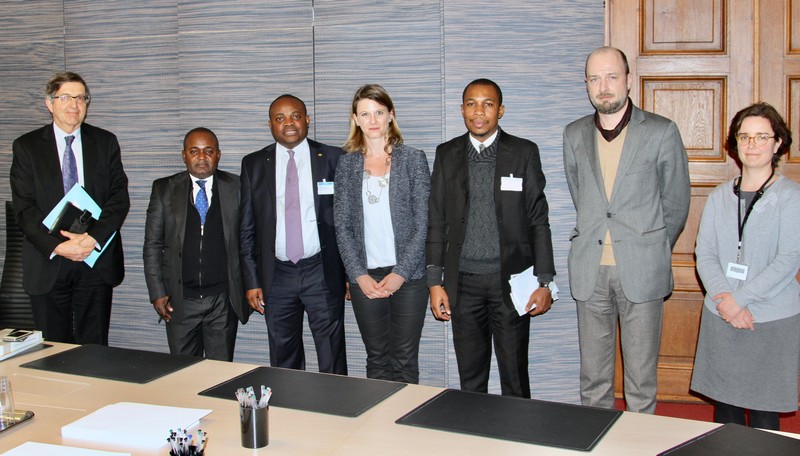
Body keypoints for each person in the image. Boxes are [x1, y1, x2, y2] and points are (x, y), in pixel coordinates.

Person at [563, 46, 691, 413]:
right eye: (594, 79)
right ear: (586, 84)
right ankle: (595, 439)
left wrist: (649, 247)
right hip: (590, 270)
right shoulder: (574, 134)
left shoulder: (661, 131)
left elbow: (676, 203)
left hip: (642, 269)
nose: (603, 86)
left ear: (629, 80)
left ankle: (641, 441)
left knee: (640, 382)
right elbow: (581, 195)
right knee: (593, 381)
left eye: (611, 76)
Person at [427, 78, 556, 398]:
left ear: (501, 110)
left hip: (510, 283)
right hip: (463, 284)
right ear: (462, 110)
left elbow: (538, 220)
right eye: (471, 104)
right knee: (471, 380)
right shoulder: (446, 154)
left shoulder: (523, 152)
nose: (479, 111)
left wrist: (545, 282)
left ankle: (518, 429)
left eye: (487, 104)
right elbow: (436, 221)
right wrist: (434, 282)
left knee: (515, 377)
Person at [691, 102, 800, 430]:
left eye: (762, 137)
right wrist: (726, 300)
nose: (752, 144)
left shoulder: (791, 196)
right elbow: (704, 253)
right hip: (721, 313)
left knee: (765, 414)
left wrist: (740, 300)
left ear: (777, 144)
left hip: (770, 319)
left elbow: (788, 259)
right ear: (735, 143)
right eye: (745, 136)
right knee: (726, 411)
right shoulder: (718, 196)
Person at [10, 71, 130, 345]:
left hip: (94, 258)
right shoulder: (27, 147)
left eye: (80, 98)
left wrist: (93, 238)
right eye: (65, 97)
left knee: (94, 348)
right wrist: (58, 246)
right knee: (51, 351)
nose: (74, 105)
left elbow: (119, 198)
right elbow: (24, 209)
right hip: (49, 260)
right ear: (49, 103)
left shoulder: (105, 142)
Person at [240, 94, 347, 374]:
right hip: (276, 275)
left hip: (321, 271)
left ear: (307, 120)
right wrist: (252, 280)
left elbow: (348, 222)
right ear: (270, 125)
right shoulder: (253, 164)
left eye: (295, 116)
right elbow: (247, 227)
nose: (288, 123)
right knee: (283, 354)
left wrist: (348, 274)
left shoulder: (334, 158)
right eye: (280, 118)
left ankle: (337, 401)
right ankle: (289, 400)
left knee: (332, 352)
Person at [334, 84, 430, 383]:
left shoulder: (413, 159)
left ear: (391, 115)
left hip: (408, 278)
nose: (372, 120)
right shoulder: (346, 164)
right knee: (376, 358)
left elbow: (423, 223)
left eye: (379, 112)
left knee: (404, 360)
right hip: (366, 276)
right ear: (355, 119)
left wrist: (401, 273)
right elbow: (342, 225)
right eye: (365, 114)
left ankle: (406, 415)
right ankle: (378, 415)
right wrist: (358, 275)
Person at [143, 128, 250, 361]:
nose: (202, 157)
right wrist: (157, 292)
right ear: (184, 155)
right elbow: (152, 244)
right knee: (183, 372)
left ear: (218, 155)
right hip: (180, 301)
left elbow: (248, 240)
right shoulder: (164, 189)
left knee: (220, 372)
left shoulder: (237, 187)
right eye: (194, 151)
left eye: (208, 151)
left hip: (222, 301)